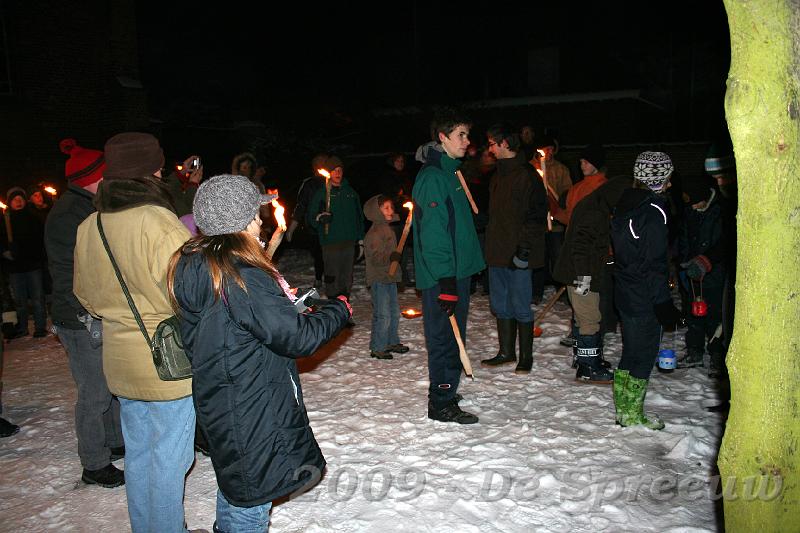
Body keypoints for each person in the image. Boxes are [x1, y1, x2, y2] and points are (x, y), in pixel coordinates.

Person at [168, 174, 351, 533]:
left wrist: (280, 303)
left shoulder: (197, 262)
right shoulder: (242, 274)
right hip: (252, 405)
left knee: (239, 482)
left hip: (225, 397)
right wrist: (338, 310)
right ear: (242, 220)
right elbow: (296, 338)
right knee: (252, 498)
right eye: (255, 213)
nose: (260, 220)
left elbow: (239, 321)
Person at [73, 132, 198, 532]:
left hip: (120, 360)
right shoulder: (157, 221)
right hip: (166, 361)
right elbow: (185, 293)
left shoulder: (89, 225)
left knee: (141, 456)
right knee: (170, 461)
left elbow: (86, 297)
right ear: (151, 170)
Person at [45, 138, 125, 488]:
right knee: (94, 392)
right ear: (91, 177)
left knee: (108, 383)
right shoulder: (69, 215)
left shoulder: (90, 208)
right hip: (79, 316)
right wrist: (84, 313)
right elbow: (68, 272)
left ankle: (114, 442)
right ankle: (94, 463)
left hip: (95, 310)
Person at [412, 109, 485, 424]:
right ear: (442, 138)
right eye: (461, 135)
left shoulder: (451, 173)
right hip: (443, 275)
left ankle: (447, 388)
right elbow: (434, 234)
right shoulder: (432, 178)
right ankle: (440, 402)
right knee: (445, 337)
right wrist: (445, 279)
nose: (467, 142)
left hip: (458, 271)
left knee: (455, 336)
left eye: (468, 135)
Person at [610, 151, 683, 430]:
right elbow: (654, 263)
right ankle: (632, 415)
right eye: (667, 177)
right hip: (643, 295)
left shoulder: (625, 204)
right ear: (659, 178)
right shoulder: (654, 211)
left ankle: (624, 412)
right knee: (644, 353)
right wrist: (663, 303)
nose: (671, 184)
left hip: (625, 291)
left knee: (630, 350)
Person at [479, 123, 546, 374]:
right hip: (497, 251)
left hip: (518, 253)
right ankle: (506, 351)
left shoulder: (527, 176)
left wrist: (525, 249)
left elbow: (536, 215)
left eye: (493, 143)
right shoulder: (497, 176)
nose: (490, 148)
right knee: (500, 304)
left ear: (505, 143)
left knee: (520, 304)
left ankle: (525, 356)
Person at [553, 174, 631, 383]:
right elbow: (580, 247)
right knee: (590, 318)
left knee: (582, 316)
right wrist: (583, 278)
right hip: (580, 274)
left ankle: (584, 358)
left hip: (579, 272)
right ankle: (589, 367)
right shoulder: (594, 212)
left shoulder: (595, 204)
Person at [676, 174, 727, 376]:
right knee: (693, 314)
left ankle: (717, 355)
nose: (693, 207)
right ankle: (694, 351)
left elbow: (724, 243)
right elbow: (683, 237)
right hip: (693, 275)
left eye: (696, 202)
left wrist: (707, 261)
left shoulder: (721, 211)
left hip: (715, 274)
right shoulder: (689, 211)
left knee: (715, 315)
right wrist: (684, 260)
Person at [306, 155, 364, 301]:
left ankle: (344, 306)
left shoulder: (350, 192)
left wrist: (361, 238)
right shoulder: (322, 193)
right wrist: (320, 218)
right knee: (332, 275)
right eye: (334, 170)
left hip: (349, 241)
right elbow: (311, 217)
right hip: (330, 241)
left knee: (347, 275)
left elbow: (359, 216)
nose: (337, 173)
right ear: (329, 173)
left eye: (339, 170)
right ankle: (333, 305)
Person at [363, 194, 408, 360]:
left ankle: (391, 341)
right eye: (386, 208)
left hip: (390, 277)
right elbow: (375, 257)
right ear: (376, 212)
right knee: (383, 314)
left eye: (391, 207)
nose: (391, 211)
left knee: (394, 312)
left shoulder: (388, 228)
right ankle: (378, 347)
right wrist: (391, 257)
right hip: (379, 278)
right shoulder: (374, 233)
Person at [1, 186, 48, 338]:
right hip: (15, 267)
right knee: (20, 300)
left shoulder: (32, 217)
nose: (18, 202)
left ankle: (40, 327)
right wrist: (5, 251)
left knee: (37, 298)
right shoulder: (5, 220)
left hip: (33, 264)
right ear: (10, 202)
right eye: (15, 200)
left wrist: (36, 255)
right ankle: (22, 327)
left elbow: (40, 239)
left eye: (21, 199)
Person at [531, 135, 572, 303]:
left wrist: (559, 202)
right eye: (544, 149)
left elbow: (567, 192)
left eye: (550, 148)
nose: (547, 152)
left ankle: (561, 292)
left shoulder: (561, 169)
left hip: (556, 223)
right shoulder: (530, 168)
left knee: (557, 256)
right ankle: (536, 292)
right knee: (538, 257)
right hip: (538, 223)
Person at [286, 153, 328, 289]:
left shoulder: (334, 182)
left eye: (324, 163)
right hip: (314, 226)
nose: (322, 166)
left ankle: (330, 279)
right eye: (319, 163)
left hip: (332, 226)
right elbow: (301, 205)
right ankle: (318, 277)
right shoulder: (309, 184)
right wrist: (292, 227)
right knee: (319, 253)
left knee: (330, 253)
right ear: (314, 167)